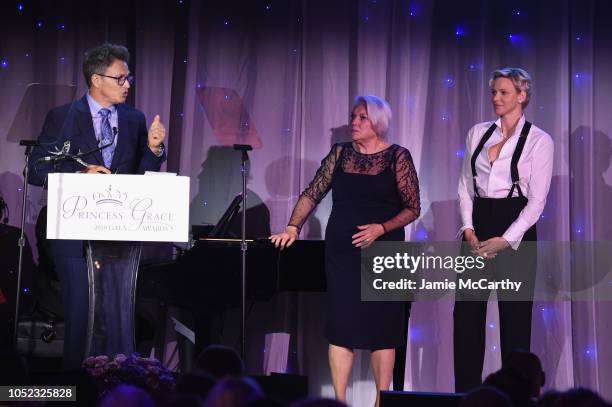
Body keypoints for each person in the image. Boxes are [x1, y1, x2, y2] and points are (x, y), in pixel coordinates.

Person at [270, 95, 420, 406]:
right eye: (353, 116)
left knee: (383, 329)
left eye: (362, 117)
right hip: (342, 252)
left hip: (384, 251)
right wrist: (292, 227)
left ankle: (381, 401)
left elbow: (412, 208)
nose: (354, 122)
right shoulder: (340, 154)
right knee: (342, 326)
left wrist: (381, 228)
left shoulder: (397, 157)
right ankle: (339, 402)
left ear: (377, 121)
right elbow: (313, 193)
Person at [28, 43, 166, 368]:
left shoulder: (134, 118)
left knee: (118, 318)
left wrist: (154, 149)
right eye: (120, 78)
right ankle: (76, 389)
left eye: (128, 78)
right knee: (81, 314)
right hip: (73, 233)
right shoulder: (63, 117)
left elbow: (140, 174)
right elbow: (36, 169)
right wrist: (79, 173)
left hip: (119, 235)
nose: (127, 85)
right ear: (95, 79)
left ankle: (118, 388)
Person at [455, 67, 554, 392]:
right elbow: (465, 186)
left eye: (504, 93)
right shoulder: (477, 132)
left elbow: (536, 203)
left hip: (516, 228)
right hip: (479, 223)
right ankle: (467, 395)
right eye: (494, 92)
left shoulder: (539, 140)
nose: (496, 98)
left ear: (521, 96)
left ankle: (515, 397)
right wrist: (468, 228)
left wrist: (506, 240)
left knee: (515, 320)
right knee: (467, 319)